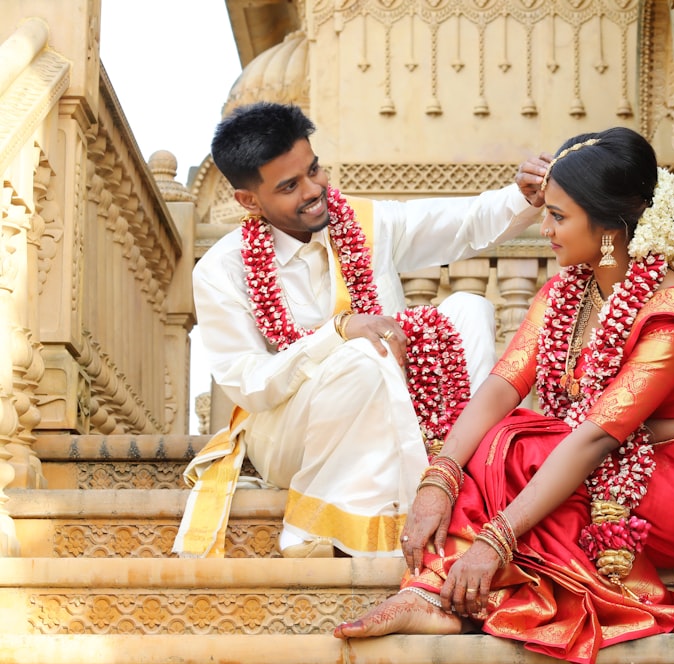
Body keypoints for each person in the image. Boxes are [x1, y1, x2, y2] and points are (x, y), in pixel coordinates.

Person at [332, 127, 674, 664]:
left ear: (611, 226)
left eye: (558, 216)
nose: (543, 228)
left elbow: (591, 438)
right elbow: (503, 386)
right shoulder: (570, 289)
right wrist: (439, 478)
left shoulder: (670, 316)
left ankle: (445, 589)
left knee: (520, 447)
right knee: (500, 435)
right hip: (606, 458)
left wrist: (492, 541)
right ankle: (438, 590)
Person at [172, 102, 543, 560]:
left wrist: (524, 196)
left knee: (469, 307)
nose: (313, 190)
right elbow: (250, 384)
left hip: (399, 404)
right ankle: (332, 530)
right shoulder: (221, 270)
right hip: (291, 434)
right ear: (250, 201)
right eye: (290, 186)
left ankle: (462, 481)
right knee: (363, 353)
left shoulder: (364, 224)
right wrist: (338, 333)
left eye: (314, 170)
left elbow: (459, 224)